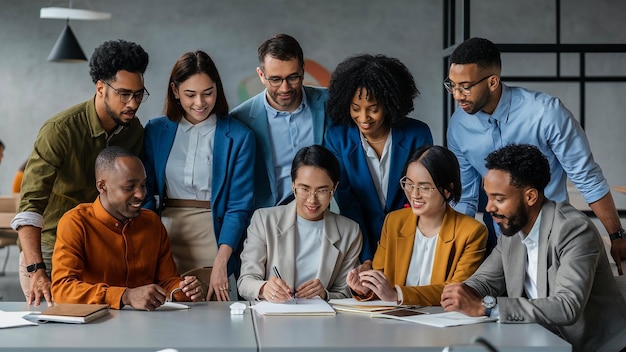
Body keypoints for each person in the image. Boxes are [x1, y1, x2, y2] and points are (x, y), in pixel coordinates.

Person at [445, 37, 626, 273]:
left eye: (465, 86)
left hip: (555, 236)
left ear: (492, 82)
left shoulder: (546, 113)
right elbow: (465, 198)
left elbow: (587, 178)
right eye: (451, 85)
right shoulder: (458, 125)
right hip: (502, 241)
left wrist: (616, 235)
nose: (457, 95)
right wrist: (454, 251)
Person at [441, 144, 626, 352]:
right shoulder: (511, 231)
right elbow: (485, 280)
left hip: (595, 348)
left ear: (530, 197)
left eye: (499, 199)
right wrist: (461, 291)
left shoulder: (573, 230)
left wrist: (485, 307)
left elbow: (567, 306)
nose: (489, 207)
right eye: (489, 196)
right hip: (541, 342)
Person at [11, 39, 148, 306]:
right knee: (51, 342)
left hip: (103, 250)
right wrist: (36, 270)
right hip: (50, 249)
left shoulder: (134, 131)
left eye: (139, 94)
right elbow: (30, 205)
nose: (133, 103)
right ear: (100, 88)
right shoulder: (60, 130)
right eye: (124, 94)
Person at [142, 51, 255, 301]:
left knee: (212, 321)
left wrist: (222, 262)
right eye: (190, 94)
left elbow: (238, 206)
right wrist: (149, 243)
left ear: (218, 89)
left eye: (208, 92)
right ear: (174, 91)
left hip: (214, 239)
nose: (200, 103)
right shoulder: (155, 130)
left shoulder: (239, 136)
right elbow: (146, 195)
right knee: (164, 315)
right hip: (164, 237)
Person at [52, 147, 204, 310]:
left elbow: (166, 281)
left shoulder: (152, 222)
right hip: (94, 326)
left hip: (150, 327)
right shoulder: (75, 222)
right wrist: (125, 296)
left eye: (144, 185)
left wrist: (183, 289)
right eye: (129, 187)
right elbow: (62, 289)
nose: (140, 194)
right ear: (102, 186)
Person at [325, 54, 433, 263]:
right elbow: (348, 204)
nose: (364, 118)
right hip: (360, 241)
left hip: (413, 240)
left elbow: (422, 196)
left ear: (389, 103)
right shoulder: (337, 139)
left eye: (373, 109)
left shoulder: (418, 134)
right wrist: (366, 258)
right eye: (356, 109)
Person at [346, 145, 487, 305]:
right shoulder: (393, 221)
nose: (414, 194)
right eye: (409, 184)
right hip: (393, 320)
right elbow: (380, 276)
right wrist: (366, 287)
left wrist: (398, 295)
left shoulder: (472, 231)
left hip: (440, 321)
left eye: (424, 187)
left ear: (448, 190)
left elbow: (456, 290)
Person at [238, 145, 362, 302]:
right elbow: (245, 282)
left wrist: (325, 294)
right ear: (293, 185)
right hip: (275, 316)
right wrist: (264, 288)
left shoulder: (349, 231)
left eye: (322, 190)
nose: (312, 200)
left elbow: (346, 292)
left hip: (323, 319)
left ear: (334, 188)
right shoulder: (264, 220)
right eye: (304, 189)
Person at [230, 33, 332, 209]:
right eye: (275, 79)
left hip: (324, 216)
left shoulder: (330, 102)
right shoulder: (239, 120)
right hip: (267, 220)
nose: (285, 88)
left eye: (293, 77)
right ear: (261, 75)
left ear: (303, 71)